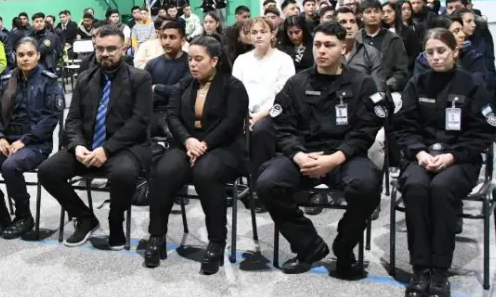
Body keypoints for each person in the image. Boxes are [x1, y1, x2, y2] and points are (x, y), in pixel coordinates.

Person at [254, 21, 384, 278]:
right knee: (267, 183)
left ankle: (345, 247)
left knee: (367, 186)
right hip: (303, 154)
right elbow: (282, 127)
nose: (321, 51)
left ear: (344, 49)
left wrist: (335, 158)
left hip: (344, 155)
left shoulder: (362, 84)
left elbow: (366, 130)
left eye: (329, 45)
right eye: (317, 45)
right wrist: (299, 155)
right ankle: (308, 246)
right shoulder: (296, 83)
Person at [395, 27, 496, 297]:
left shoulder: (473, 85)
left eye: (441, 51)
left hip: (460, 159)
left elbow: (483, 133)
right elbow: (403, 127)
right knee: (415, 187)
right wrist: (418, 153)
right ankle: (420, 270)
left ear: (455, 51)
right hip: (422, 156)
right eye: (430, 52)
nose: (436, 57)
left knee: (440, 189)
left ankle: (439, 272)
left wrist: (452, 156)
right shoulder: (417, 84)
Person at [38, 24, 152, 248]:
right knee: (47, 171)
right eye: (100, 48)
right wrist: (78, 145)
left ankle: (115, 221)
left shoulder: (140, 78)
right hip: (88, 147)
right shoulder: (85, 78)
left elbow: (139, 122)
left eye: (111, 48)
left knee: (124, 174)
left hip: (125, 148)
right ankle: (85, 218)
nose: (105, 54)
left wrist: (106, 150)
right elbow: (73, 120)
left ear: (124, 47)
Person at [144, 36, 249, 273]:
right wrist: (189, 140)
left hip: (224, 147)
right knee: (163, 171)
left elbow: (232, 123)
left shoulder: (233, 86)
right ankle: (156, 236)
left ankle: (216, 241)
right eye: (190, 59)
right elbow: (172, 116)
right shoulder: (183, 85)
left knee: (206, 174)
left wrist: (205, 144)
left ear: (214, 60)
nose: (192, 64)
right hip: (187, 145)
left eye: (198, 59)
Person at [0, 37, 65, 239]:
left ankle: (24, 216)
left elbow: (51, 118)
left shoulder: (48, 81)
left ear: (38, 56)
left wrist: (24, 140)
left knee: (10, 166)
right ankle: (1, 215)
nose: (25, 59)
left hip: (36, 143)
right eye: (21, 55)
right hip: (6, 140)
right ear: (15, 56)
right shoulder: (8, 80)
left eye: (30, 54)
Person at [232, 16, 295, 179]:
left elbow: (283, 96)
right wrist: (243, 116)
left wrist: (258, 116)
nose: (259, 36)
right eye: (254, 32)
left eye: (263, 32)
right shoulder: (241, 60)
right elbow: (236, 92)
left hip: (273, 113)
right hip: (245, 113)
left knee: (260, 130)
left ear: (272, 34)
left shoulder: (284, 60)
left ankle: (258, 182)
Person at [144, 19, 190, 137]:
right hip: (153, 113)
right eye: (163, 37)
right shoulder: (152, 64)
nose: (166, 42)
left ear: (183, 40)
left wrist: (156, 88)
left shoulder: (190, 63)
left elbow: (181, 90)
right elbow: (143, 92)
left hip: (178, 113)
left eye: (172, 37)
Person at [359, 0, 410, 93]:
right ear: (361, 16)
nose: (373, 15)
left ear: (381, 15)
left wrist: (386, 86)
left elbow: (402, 71)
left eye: (376, 11)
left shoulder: (394, 39)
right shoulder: (355, 39)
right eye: (368, 12)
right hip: (358, 91)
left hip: (387, 91)